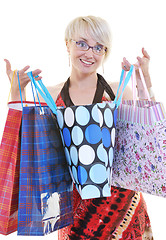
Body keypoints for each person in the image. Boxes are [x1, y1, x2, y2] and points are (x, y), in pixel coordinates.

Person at [5, 16, 154, 240]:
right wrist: (16, 93)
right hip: (75, 213)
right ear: (67, 44)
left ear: (105, 52)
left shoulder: (117, 91)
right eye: (81, 43)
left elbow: (148, 139)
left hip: (124, 210)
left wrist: (146, 84)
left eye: (98, 47)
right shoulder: (50, 96)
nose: (89, 53)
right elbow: (28, 151)